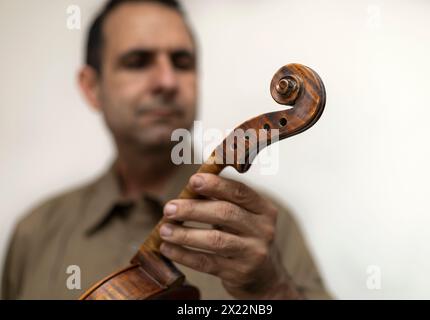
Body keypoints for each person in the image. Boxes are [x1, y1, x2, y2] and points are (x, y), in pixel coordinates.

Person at [1, 0, 330, 300]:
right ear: (92, 87)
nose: (167, 81)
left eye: (182, 62)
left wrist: (271, 289)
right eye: (138, 62)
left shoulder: (265, 231)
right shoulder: (35, 234)